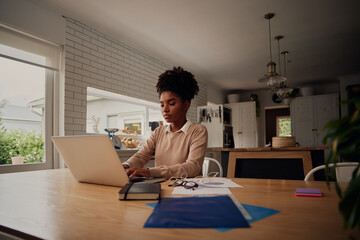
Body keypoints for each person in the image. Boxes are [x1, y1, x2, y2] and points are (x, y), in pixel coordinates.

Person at [123, 67, 208, 179]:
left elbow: (193, 167)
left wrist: (149, 172)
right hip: (161, 187)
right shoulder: (158, 132)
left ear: (185, 105)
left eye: (171, 104)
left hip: (187, 188)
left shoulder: (198, 131)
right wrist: (125, 166)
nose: (165, 109)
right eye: (162, 105)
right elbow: (141, 156)